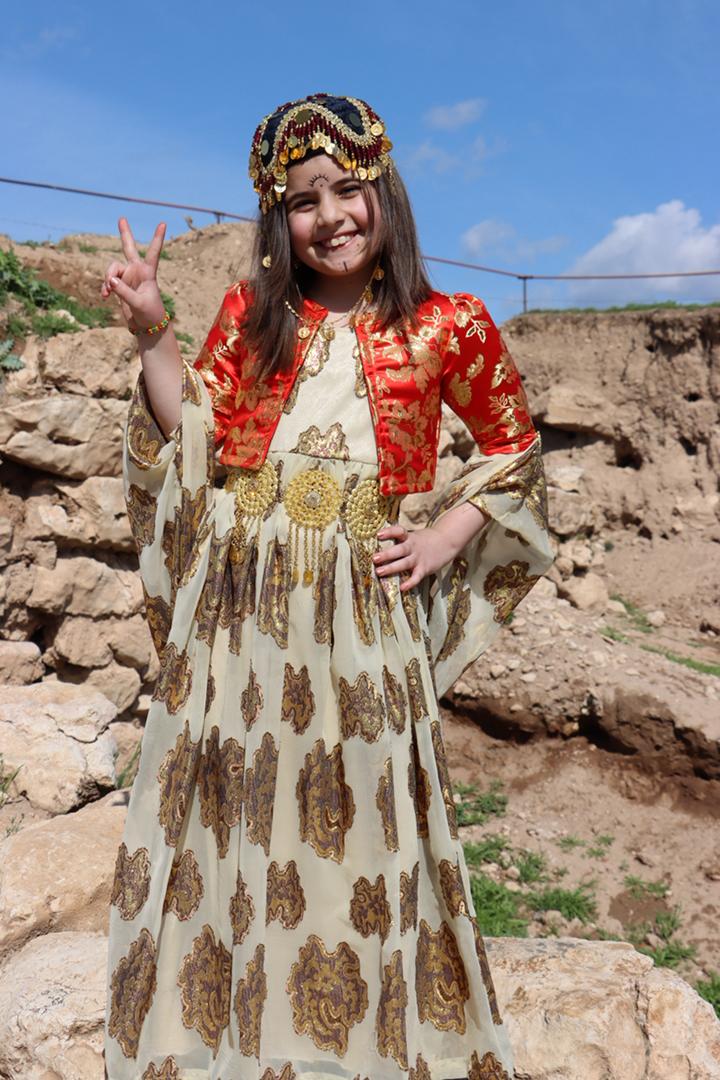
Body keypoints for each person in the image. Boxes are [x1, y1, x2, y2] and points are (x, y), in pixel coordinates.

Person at [101, 92, 554, 1080]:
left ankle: (360, 1037)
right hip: (244, 611)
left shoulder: (450, 325)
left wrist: (443, 535)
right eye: (304, 200)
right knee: (237, 806)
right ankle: (229, 1030)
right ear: (280, 218)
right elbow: (191, 435)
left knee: (363, 812)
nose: (331, 215)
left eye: (348, 189)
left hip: (362, 610)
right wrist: (152, 334)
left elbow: (515, 450)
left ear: (385, 191)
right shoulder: (250, 316)